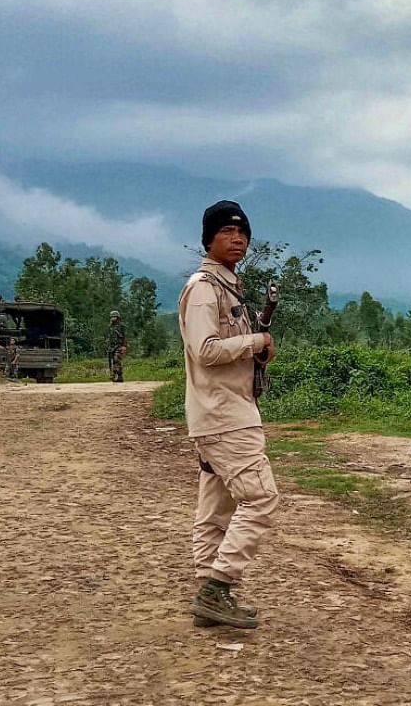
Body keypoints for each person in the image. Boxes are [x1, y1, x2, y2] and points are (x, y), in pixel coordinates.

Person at [178, 199, 278, 630]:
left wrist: (254, 348)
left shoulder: (229, 287)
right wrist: (254, 343)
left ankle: (209, 593)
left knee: (216, 508)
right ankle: (218, 586)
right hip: (224, 416)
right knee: (261, 498)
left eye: (243, 233)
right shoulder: (204, 288)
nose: (237, 239)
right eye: (226, 232)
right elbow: (204, 350)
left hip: (225, 411)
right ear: (209, 239)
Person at [107, 311, 127, 383]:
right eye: (112, 317)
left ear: (118, 317)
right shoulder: (110, 327)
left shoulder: (122, 326)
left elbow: (124, 336)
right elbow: (109, 337)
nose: (113, 318)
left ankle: (119, 376)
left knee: (116, 360)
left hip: (119, 345)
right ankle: (113, 375)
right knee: (110, 361)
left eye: (114, 317)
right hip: (111, 346)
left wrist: (124, 346)